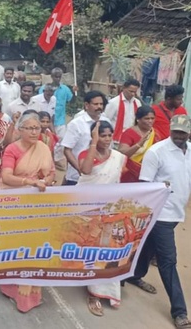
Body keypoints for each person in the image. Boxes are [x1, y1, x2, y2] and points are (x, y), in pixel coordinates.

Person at [127, 115, 191, 329]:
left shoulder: (190, 151)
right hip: (160, 214)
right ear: (171, 130)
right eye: (176, 131)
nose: (179, 136)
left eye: (183, 132)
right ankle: (180, 312)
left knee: (148, 246)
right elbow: (146, 184)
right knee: (168, 260)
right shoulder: (157, 152)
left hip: (176, 213)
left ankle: (133, 275)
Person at [0, 112, 55, 313]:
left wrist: (45, 182)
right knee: (17, 248)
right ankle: (12, 289)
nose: (34, 132)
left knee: (35, 249)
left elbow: (52, 173)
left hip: (38, 205)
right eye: (30, 128)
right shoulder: (12, 150)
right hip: (15, 204)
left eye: (37, 128)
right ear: (20, 130)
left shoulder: (44, 148)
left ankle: (31, 293)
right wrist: (29, 182)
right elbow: (6, 177)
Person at [77, 121, 126, 316]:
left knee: (105, 250)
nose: (106, 139)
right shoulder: (86, 154)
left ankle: (98, 292)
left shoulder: (118, 157)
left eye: (108, 135)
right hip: (85, 209)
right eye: (101, 135)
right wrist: (93, 143)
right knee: (85, 248)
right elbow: (86, 171)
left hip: (109, 210)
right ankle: (90, 289)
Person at [61, 91, 110, 185]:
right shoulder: (76, 124)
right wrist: (79, 169)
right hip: (78, 177)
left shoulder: (106, 121)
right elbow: (67, 150)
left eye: (101, 104)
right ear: (87, 105)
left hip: (101, 175)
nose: (99, 107)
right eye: (95, 104)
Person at [118, 106, 158, 183]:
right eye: (146, 118)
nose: (150, 121)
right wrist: (139, 145)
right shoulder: (129, 133)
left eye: (152, 118)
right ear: (138, 119)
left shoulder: (155, 133)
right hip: (129, 173)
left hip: (148, 173)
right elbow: (122, 153)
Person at [39, 67, 75, 146]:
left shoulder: (65, 89)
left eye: (59, 77)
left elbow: (71, 101)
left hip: (60, 121)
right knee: (47, 142)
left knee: (61, 143)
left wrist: (74, 92)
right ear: (51, 76)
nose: (57, 79)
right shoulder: (44, 88)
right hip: (46, 122)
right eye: (55, 76)